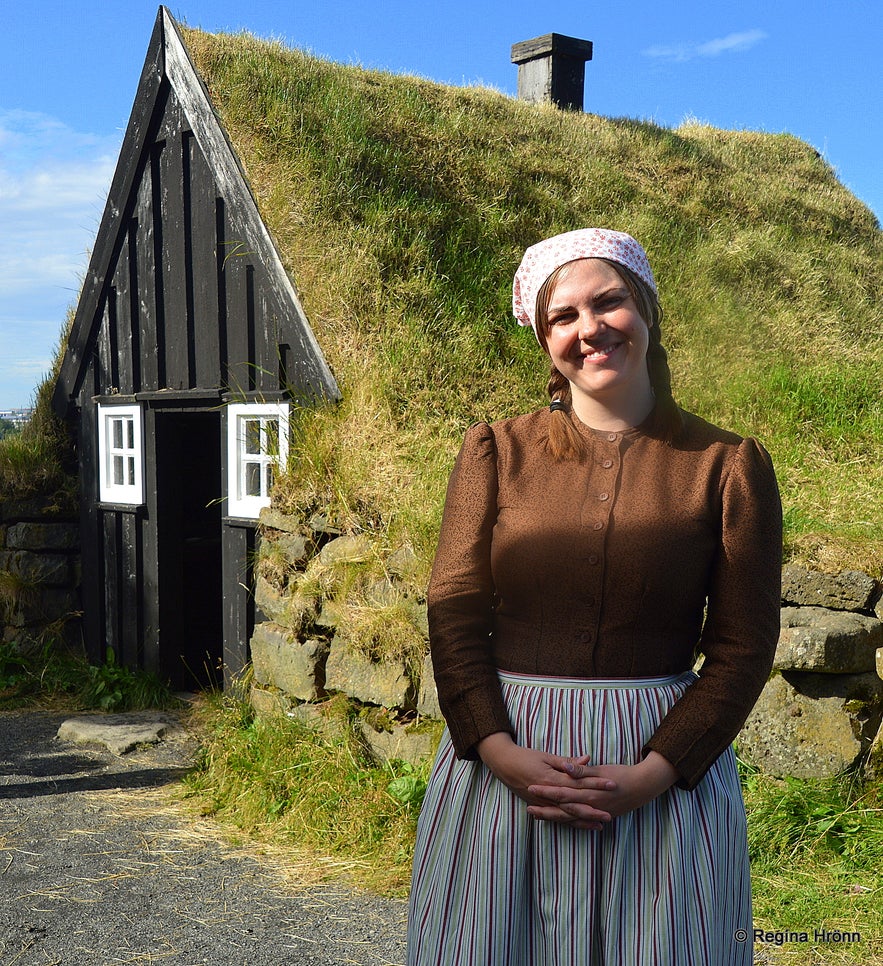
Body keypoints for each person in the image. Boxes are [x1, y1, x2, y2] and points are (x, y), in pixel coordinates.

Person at [406, 228, 782, 965]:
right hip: (508, 764)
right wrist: (494, 747)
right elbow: (453, 612)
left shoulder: (727, 464)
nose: (589, 329)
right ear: (544, 339)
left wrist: (653, 773)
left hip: (660, 771)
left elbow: (742, 647)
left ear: (645, 310)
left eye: (608, 302)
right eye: (563, 316)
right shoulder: (495, 450)